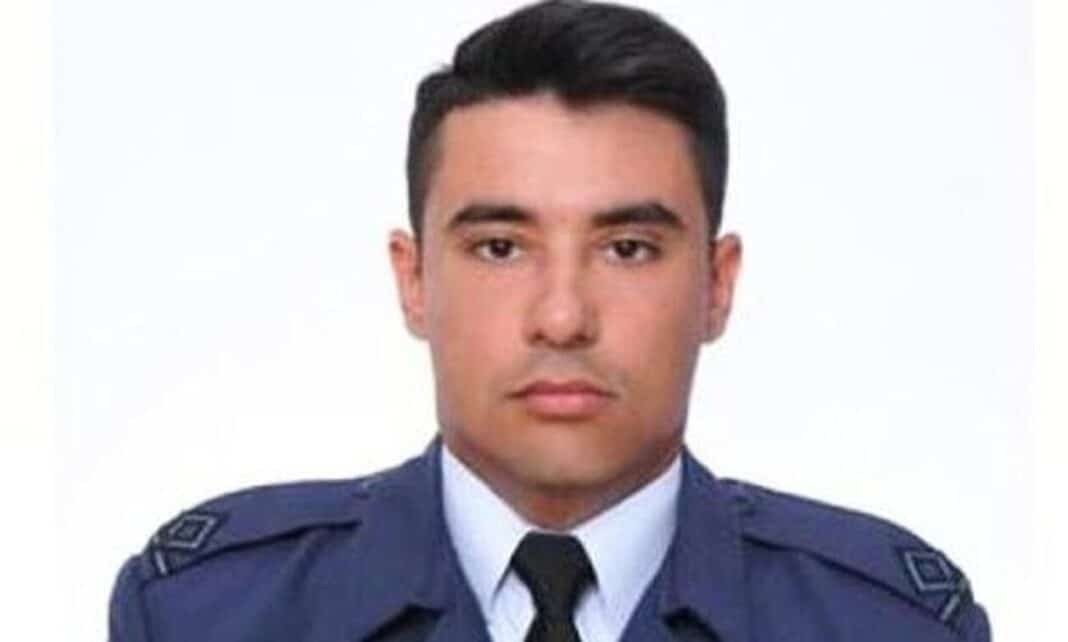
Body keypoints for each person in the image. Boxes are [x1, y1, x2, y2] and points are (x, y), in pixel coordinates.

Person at [107, 1, 991, 640]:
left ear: (716, 286)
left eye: (628, 249)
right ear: (413, 280)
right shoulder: (206, 615)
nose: (563, 318)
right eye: (500, 247)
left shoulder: (884, 623)